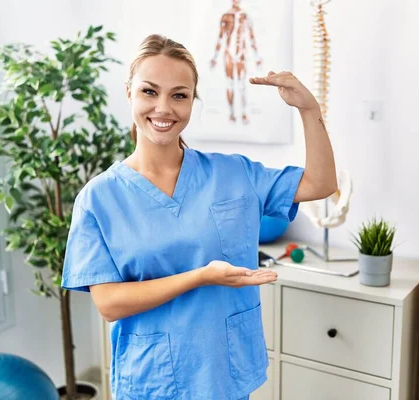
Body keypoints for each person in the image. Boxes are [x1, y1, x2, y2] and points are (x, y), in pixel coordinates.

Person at [61, 34, 337, 400]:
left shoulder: (234, 174)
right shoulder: (99, 198)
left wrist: (309, 109)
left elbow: (321, 183)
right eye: (149, 91)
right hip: (154, 382)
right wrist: (200, 277)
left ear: (193, 100)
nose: (163, 108)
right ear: (129, 92)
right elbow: (110, 303)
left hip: (225, 375)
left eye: (179, 95)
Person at [210, 0, 262, 124]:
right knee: (230, 84)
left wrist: (257, 57)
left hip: (241, 55)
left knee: (242, 85)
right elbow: (221, 37)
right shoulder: (226, 16)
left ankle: (243, 113)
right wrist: (215, 57)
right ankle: (231, 114)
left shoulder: (245, 17)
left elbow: (251, 37)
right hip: (229, 54)